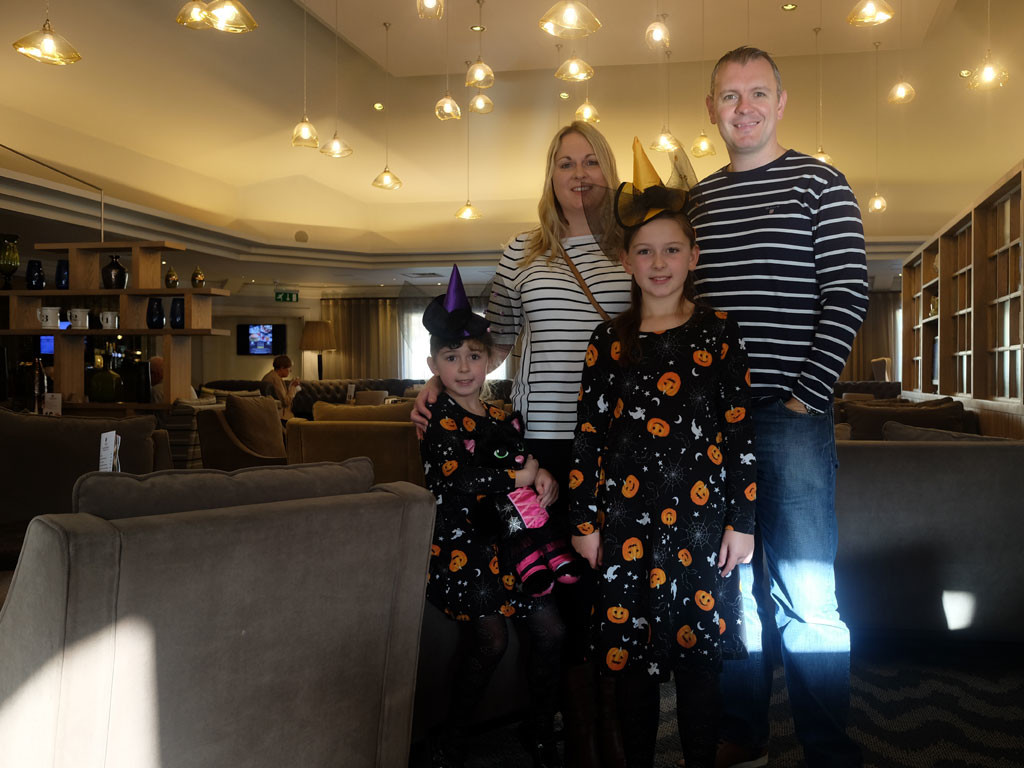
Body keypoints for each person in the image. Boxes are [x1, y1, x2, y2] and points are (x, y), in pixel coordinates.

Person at [412, 121, 633, 764]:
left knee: (605, 582)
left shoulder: (632, 247)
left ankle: (607, 717)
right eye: (566, 163)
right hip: (539, 444)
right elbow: (493, 344)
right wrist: (436, 383)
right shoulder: (522, 252)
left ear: (609, 170)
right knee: (554, 587)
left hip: (613, 442)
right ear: (550, 175)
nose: (579, 174)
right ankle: (570, 723)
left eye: (591, 161)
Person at [685, 46, 869, 768]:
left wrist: (804, 397)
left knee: (807, 593)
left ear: (781, 102)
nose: (744, 108)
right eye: (729, 96)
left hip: (791, 418)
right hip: (715, 424)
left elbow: (847, 294)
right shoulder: (698, 202)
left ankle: (827, 748)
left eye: (757, 93)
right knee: (731, 588)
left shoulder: (821, 182)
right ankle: (743, 735)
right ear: (711, 109)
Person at [569, 139, 756, 768]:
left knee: (700, 660)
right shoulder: (607, 340)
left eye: (672, 249)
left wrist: (742, 522)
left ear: (694, 256)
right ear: (625, 260)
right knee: (631, 662)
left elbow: (739, 436)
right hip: (625, 524)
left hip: (703, 524)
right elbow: (589, 436)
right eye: (645, 251)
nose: (658, 262)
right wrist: (584, 522)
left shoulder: (720, 331)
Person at [417, 266, 565, 768]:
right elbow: (454, 478)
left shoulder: (503, 416)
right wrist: (517, 477)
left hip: (514, 545)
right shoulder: (435, 420)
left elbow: (522, 459)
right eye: (451, 357)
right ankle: (453, 737)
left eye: (474, 356)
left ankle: (540, 726)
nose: (464, 367)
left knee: (552, 632)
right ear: (433, 363)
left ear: (490, 361)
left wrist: (541, 473)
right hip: (465, 548)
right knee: (492, 639)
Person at [261, 354, 300, 420]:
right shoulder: (275, 379)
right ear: (282, 368)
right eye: (289, 368)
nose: (290, 371)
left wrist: (290, 386)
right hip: (280, 416)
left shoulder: (272, 376)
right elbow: (286, 402)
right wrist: (293, 387)